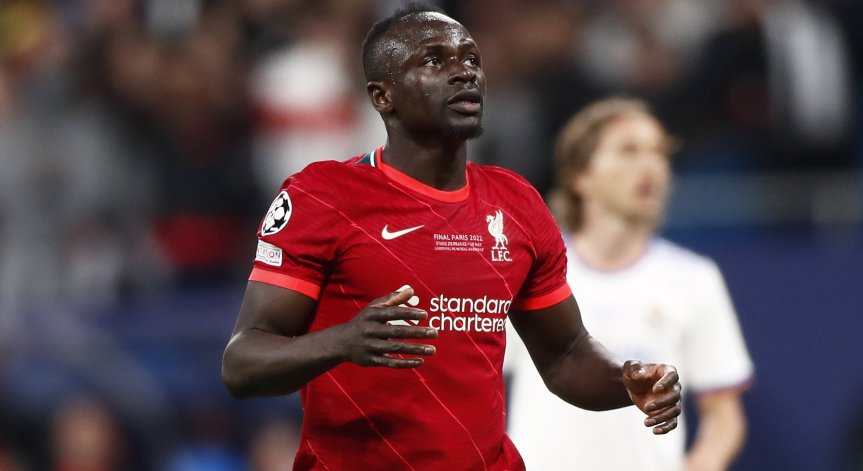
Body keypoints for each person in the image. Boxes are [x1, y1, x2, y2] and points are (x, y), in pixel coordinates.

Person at [221, 5, 682, 470]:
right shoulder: (322, 196)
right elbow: (242, 364)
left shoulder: (516, 204)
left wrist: (626, 381)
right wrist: (341, 342)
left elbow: (565, 355)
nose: (464, 72)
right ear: (382, 96)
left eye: (471, 59)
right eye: (433, 61)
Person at [505, 97, 755, 471]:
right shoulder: (528, 273)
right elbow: (475, 385)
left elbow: (723, 417)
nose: (651, 165)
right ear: (580, 175)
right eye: (628, 151)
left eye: (659, 152)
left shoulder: (694, 279)